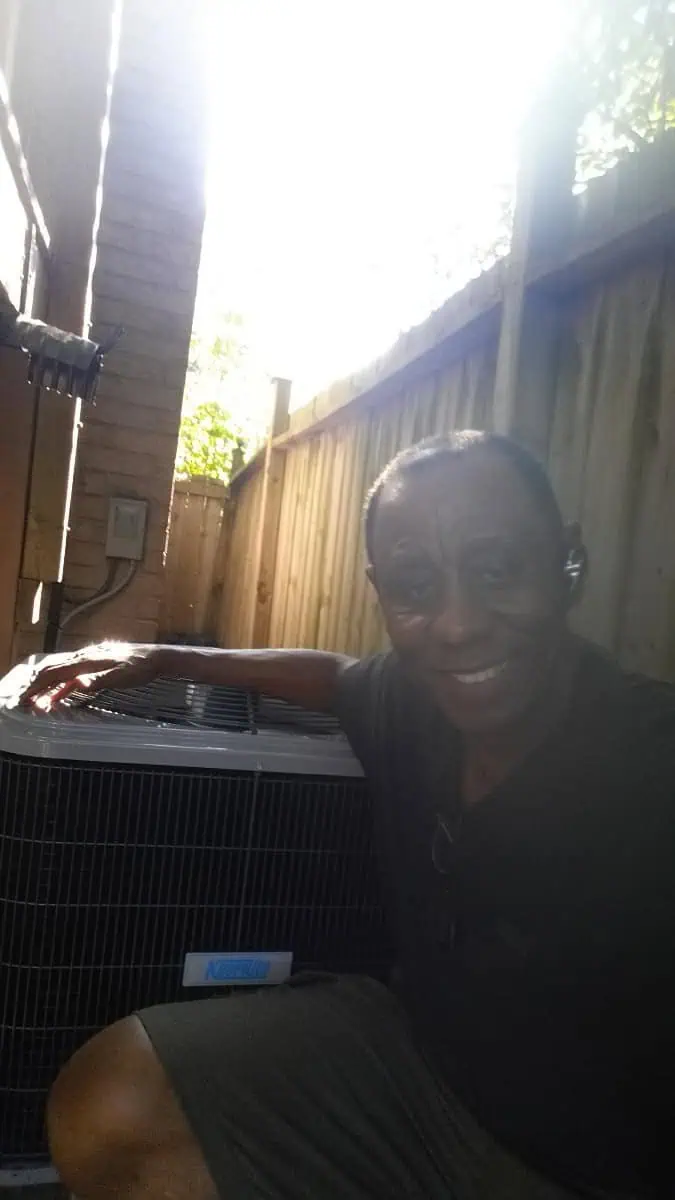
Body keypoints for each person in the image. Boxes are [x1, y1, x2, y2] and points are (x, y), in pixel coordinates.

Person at [19, 431, 674, 1200]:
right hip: (423, 1072)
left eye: (498, 570)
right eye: (415, 585)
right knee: (111, 1101)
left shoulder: (646, 760)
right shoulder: (414, 699)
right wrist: (165, 657)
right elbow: (337, 677)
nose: (457, 623)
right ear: (381, 593)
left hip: (588, 1169)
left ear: (568, 562)